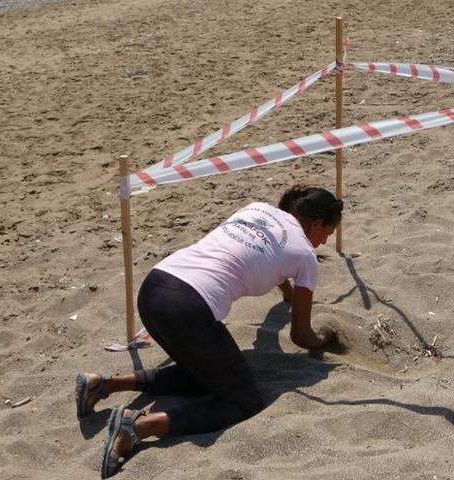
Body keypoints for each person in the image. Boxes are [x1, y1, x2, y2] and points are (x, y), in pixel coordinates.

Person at [74, 185, 342, 478]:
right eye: (326, 234)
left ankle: (105, 384)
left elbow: (262, 253)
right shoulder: (305, 254)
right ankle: (138, 426)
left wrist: (287, 292)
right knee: (244, 401)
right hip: (188, 307)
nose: (322, 242)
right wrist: (325, 339)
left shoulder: (257, 209)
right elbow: (300, 336)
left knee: (206, 375)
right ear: (316, 224)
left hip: (155, 287)